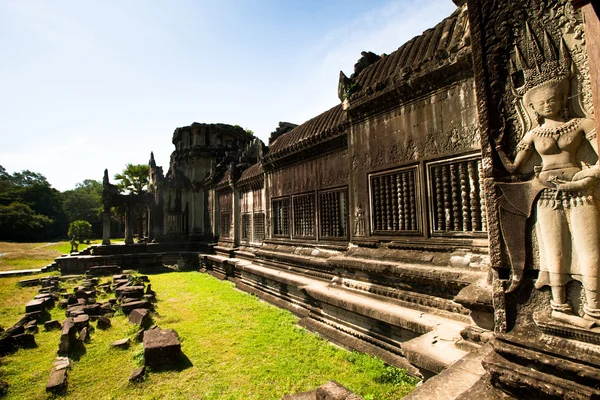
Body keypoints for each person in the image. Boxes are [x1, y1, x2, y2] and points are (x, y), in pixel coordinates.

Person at [496, 76, 598, 325]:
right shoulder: (533, 134)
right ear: (534, 109)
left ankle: (594, 308)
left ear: (563, 98)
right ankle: (560, 305)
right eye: (542, 103)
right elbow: (514, 169)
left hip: (580, 191)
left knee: (590, 249)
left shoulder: (583, 124)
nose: (548, 105)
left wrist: (586, 178)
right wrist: (497, 149)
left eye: (552, 99)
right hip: (547, 195)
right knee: (554, 251)